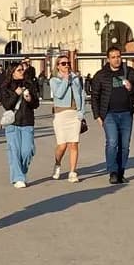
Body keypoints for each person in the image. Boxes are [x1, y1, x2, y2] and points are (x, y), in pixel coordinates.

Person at [89, 44, 134, 186]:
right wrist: (97, 116)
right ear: (108, 59)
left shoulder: (129, 71)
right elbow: (94, 96)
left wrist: (132, 87)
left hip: (126, 113)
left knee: (124, 145)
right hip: (109, 114)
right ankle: (112, 172)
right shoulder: (101, 75)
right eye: (113, 57)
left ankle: (121, 172)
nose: (116, 60)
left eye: (118, 57)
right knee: (112, 142)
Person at [0, 58, 40, 187]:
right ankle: (18, 178)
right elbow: (7, 105)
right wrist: (16, 94)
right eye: (19, 70)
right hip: (13, 123)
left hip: (27, 122)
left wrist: (30, 99)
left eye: (23, 69)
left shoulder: (29, 84)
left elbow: (36, 104)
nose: (22, 71)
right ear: (12, 72)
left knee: (27, 151)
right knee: (14, 151)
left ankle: (21, 171)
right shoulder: (5, 87)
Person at [48, 54, 86, 182]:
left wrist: (81, 111)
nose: (67, 65)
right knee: (62, 145)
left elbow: (82, 94)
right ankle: (57, 163)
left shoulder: (76, 78)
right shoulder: (54, 80)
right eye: (63, 63)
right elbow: (59, 94)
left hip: (74, 113)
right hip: (61, 114)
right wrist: (65, 80)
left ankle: (72, 172)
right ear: (58, 66)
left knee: (74, 144)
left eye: (68, 63)